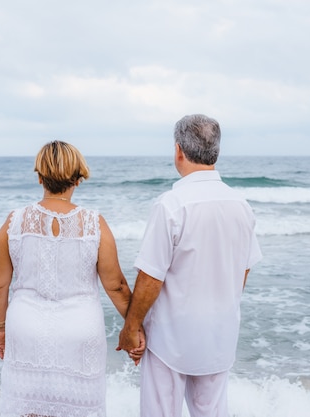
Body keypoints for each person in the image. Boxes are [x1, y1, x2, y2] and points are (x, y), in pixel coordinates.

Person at [117, 114, 262, 417]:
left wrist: (131, 327)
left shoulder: (171, 204)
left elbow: (150, 278)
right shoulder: (241, 205)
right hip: (220, 333)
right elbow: (243, 271)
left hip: (171, 336)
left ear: (178, 150)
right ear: (216, 152)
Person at [0, 140, 145, 417]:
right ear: (78, 178)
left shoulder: (14, 222)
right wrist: (136, 327)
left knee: (28, 409)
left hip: (26, 329)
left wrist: (2, 329)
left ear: (39, 177)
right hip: (80, 331)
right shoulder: (94, 223)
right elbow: (116, 285)